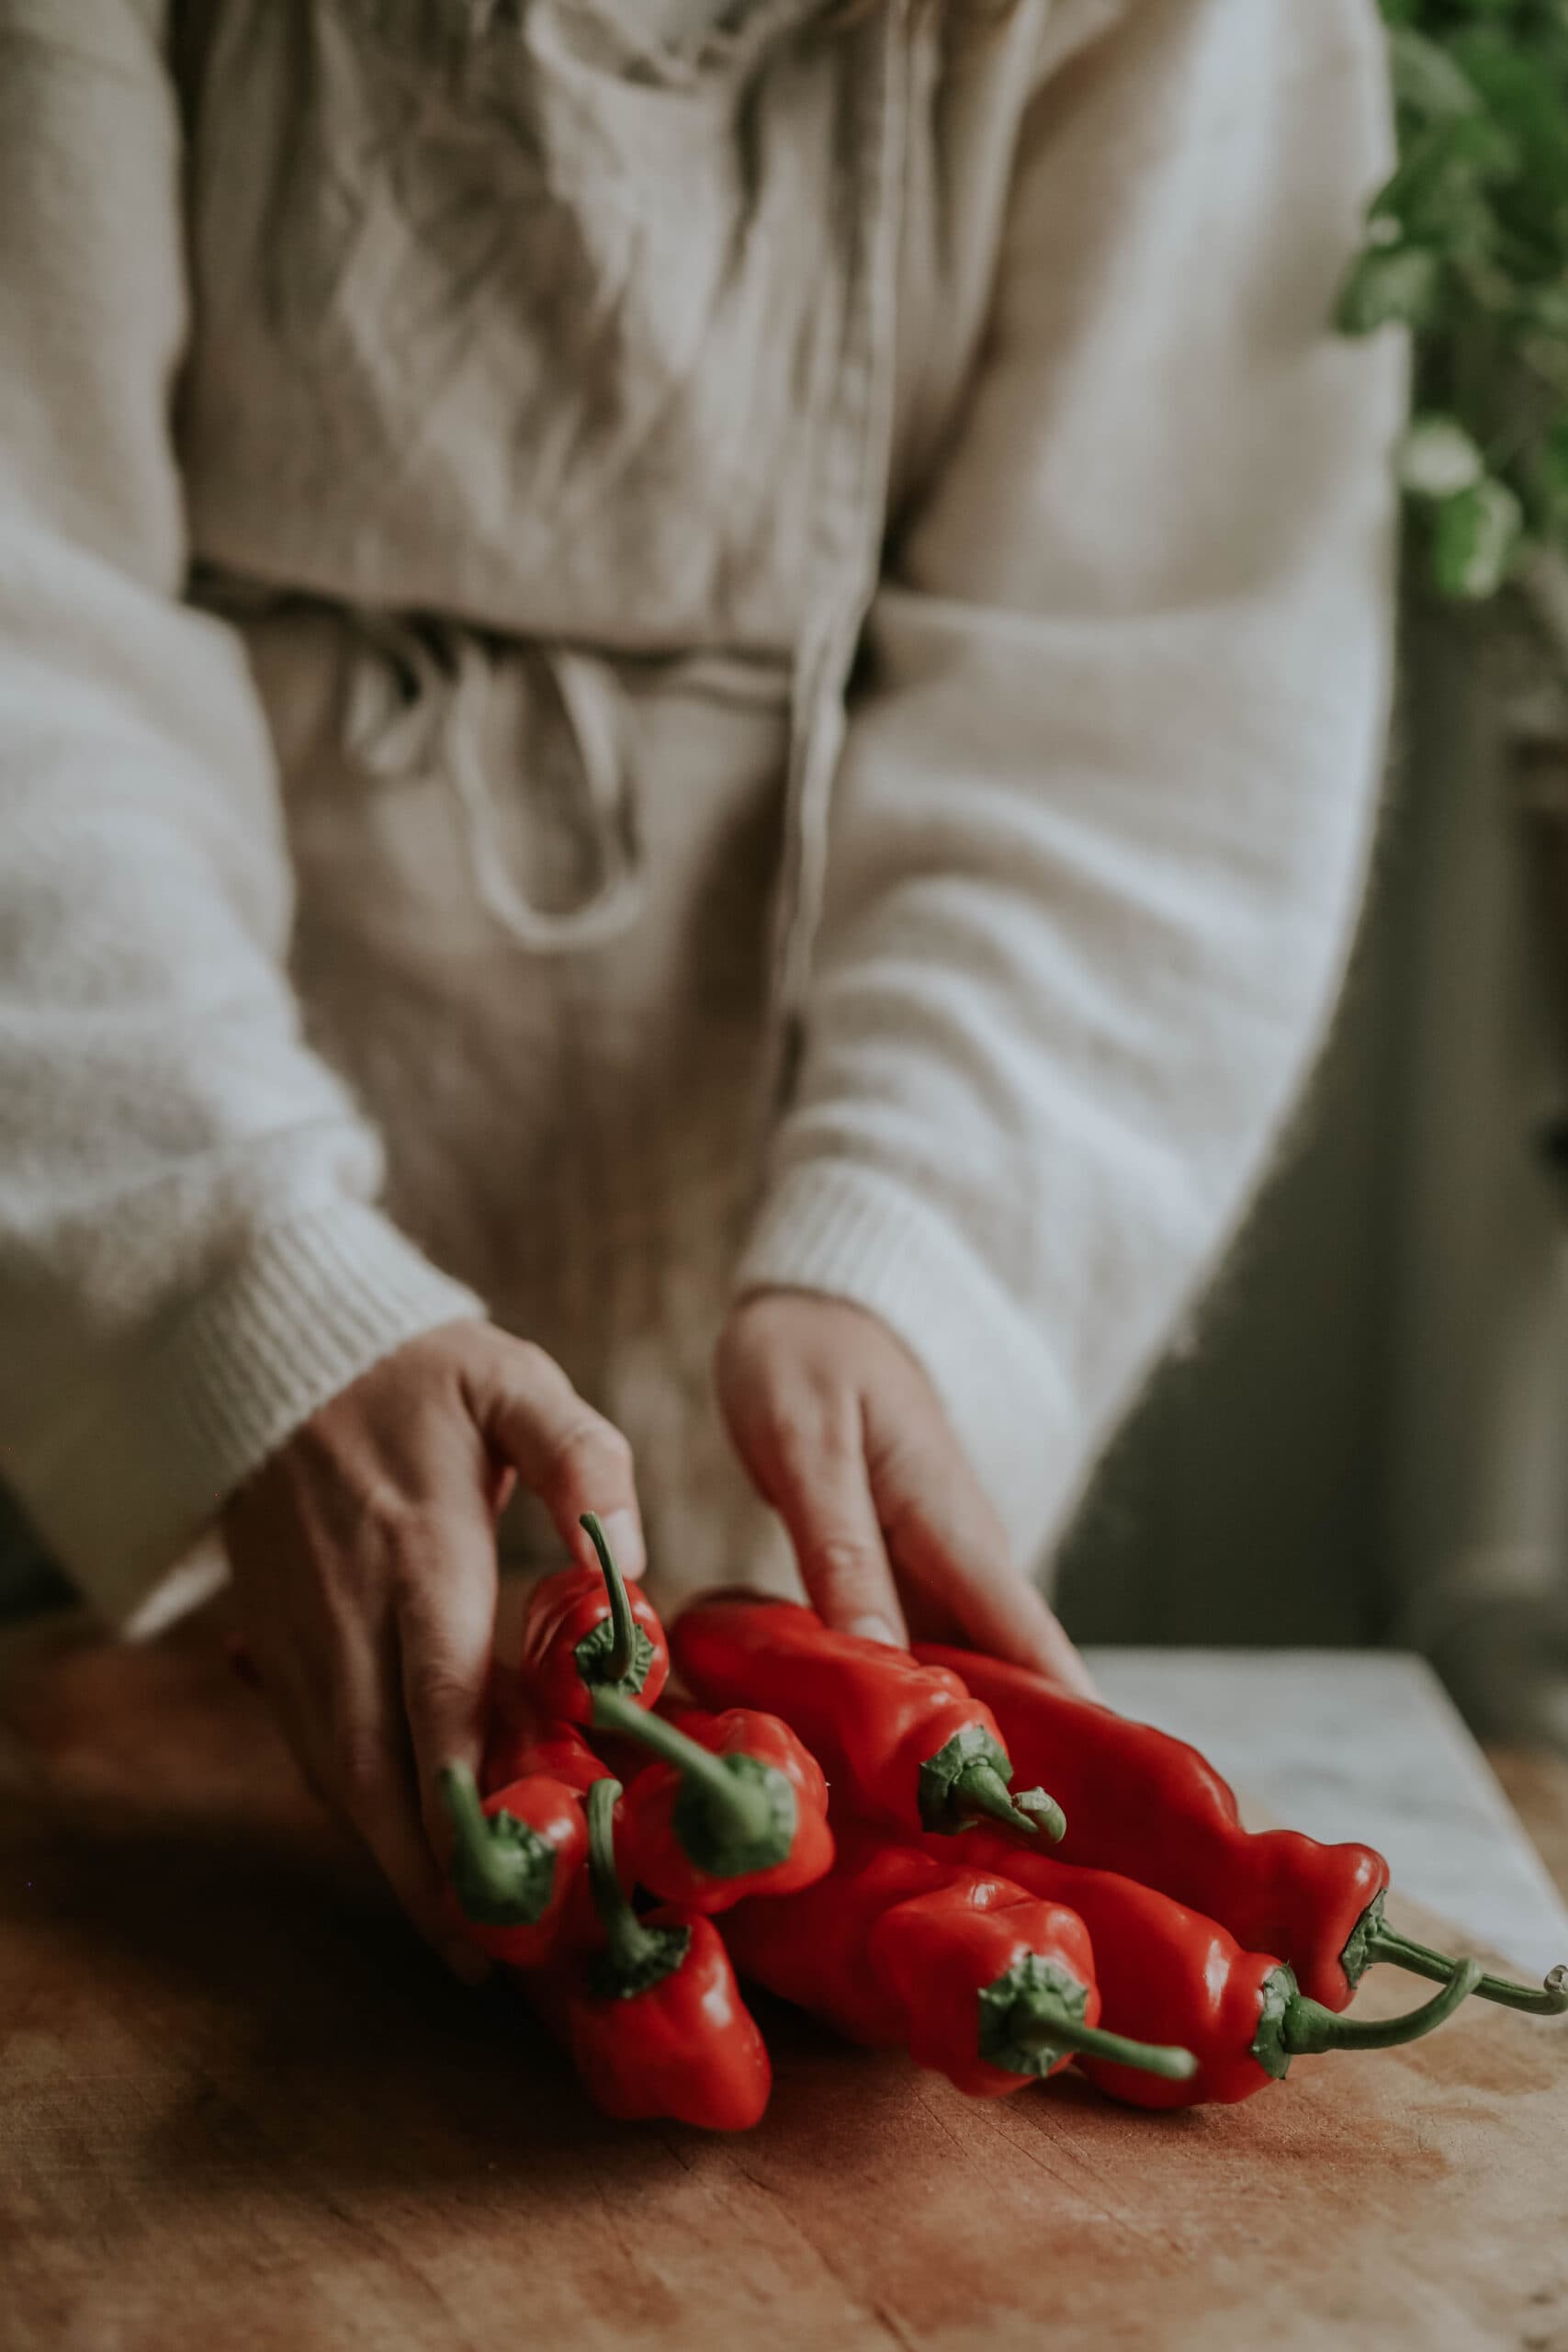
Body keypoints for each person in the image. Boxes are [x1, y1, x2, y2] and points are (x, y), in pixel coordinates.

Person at [0, 0, 1403, 1977]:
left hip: (777, 1166)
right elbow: (23, 597)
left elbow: (1153, 702)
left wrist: (915, 1247)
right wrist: (225, 1284)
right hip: (85, 1226)